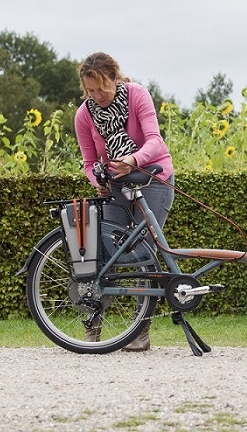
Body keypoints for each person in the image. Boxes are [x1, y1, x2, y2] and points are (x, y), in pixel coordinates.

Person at [75, 52, 175, 351]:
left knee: (143, 254)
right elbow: (89, 162)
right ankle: (92, 327)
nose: (97, 96)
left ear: (115, 79)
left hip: (153, 178)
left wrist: (132, 160)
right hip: (117, 186)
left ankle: (140, 333)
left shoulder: (137, 96)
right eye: (90, 90)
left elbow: (155, 140)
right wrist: (100, 180)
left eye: (101, 89)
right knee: (103, 254)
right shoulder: (84, 114)